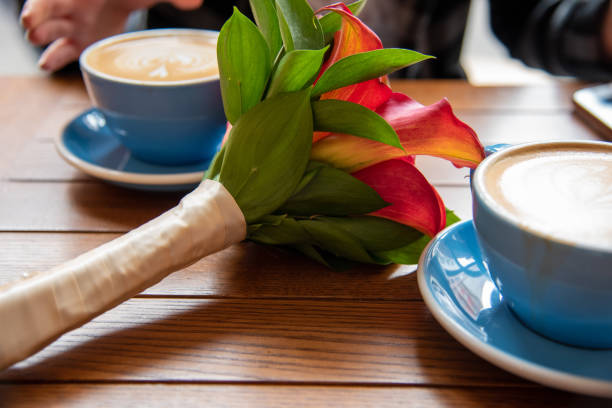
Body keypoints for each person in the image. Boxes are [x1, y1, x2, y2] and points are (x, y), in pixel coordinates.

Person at [18, 0, 612, 80]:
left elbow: (537, 18)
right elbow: (62, 49)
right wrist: (100, 22)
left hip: (417, 163)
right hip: (195, 166)